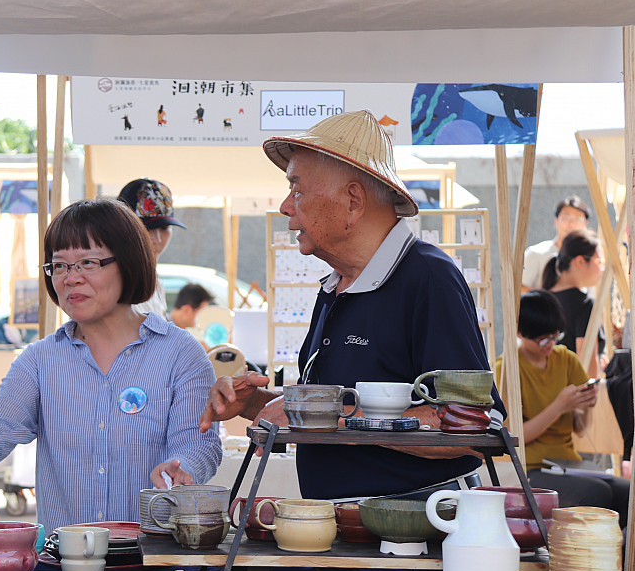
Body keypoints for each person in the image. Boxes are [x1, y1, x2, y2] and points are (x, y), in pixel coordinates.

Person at [199, 110, 505, 500]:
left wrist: (324, 418)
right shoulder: (335, 286)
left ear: (353, 200)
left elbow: (475, 426)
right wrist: (256, 402)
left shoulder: (428, 278)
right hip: (343, 535)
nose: (285, 208)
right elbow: (339, 407)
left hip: (417, 534)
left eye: (297, 189)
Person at [0, 198, 221, 531]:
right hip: (64, 564)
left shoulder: (180, 355)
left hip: (152, 561)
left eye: (87, 263)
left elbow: (199, 442)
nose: (70, 278)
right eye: (60, 266)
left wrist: (183, 468)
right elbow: (0, 420)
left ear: (128, 263)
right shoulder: (40, 360)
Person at [496, 290, 628, 518]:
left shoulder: (565, 359)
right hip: (530, 468)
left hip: (568, 464)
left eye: (555, 335)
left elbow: (578, 427)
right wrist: (559, 405)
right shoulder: (507, 368)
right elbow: (513, 437)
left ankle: (620, 550)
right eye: (542, 339)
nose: (550, 344)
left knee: (628, 493)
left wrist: (585, 404)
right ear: (520, 333)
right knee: (597, 494)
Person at [541, 228, 606, 375]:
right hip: (573, 393)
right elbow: (587, 367)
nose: (602, 269)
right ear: (580, 261)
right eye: (599, 261)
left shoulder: (540, 298)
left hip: (539, 391)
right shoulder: (584, 304)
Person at [118, 178, 186, 317]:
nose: (158, 239)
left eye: (164, 227)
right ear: (121, 228)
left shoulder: (155, 280)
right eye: (147, 228)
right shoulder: (112, 281)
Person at [521, 196, 590, 292]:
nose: (571, 224)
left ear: (585, 224)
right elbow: (517, 290)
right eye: (566, 218)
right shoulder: (536, 253)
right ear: (556, 221)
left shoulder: (590, 258)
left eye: (578, 219)